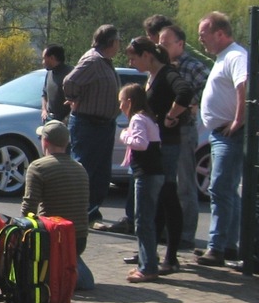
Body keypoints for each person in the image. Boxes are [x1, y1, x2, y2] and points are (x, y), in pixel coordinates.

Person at [124, 37, 192, 268]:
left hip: (167, 146)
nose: (132, 63)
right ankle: (148, 251)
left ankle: (170, 256)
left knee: (167, 196)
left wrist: (172, 115)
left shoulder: (167, 75)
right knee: (156, 200)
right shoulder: (152, 77)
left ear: (147, 55)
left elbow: (185, 91)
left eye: (134, 58)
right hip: (157, 146)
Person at [195, 12, 248, 267]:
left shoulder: (236, 56)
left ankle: (217, 247)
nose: (200, 39)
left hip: (230, 135)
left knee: (220, 188)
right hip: (219, 135)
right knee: (226, 190)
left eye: (203, 34)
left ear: (220, 33)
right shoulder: (223, 57)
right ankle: (228, 245)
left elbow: (244, 86)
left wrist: (239, 119)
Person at [21, 120, 95, 290]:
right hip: (79, 237)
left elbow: (29, 207)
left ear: (45, 141)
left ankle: (61, 272)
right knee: (69, 256)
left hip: (54, 236)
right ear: (66, 142)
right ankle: (71, 263)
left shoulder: (38, 167)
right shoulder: (80, 168)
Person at [63, 24, 121, 228]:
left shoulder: (104, 61)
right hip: (89, 125)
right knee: (84, 170)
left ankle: (90, 212)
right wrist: (73, 98)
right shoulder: (93, 60)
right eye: (118, 41)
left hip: (103, 125)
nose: (119, 46)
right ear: (112, 42)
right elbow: (70, 81)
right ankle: (77, 213)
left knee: (101, 174)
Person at [157, 24, 208, 249]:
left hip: (184, 130)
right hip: (164, 133)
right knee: (165, 184)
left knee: (184, 184)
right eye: (159, 44)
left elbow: (209, 88)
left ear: (180, 44)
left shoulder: (193, 67)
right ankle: (168, 231)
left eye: (166, 44)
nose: (161, 47)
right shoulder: (162, 67)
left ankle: (185, 235)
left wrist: (195, 102)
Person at [118, 83, 164, 283]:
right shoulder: (148, 117)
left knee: (143, 222)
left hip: (145, 174)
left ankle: (148, 268)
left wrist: (124, 135)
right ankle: (148, 262)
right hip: (155, 173)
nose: (120, 106)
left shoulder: (137, 119)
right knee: (148, 220)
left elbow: (141, 143)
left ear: (129, 102)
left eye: (121, 101)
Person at [40, 44, 72, 123]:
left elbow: (76, 99)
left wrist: (66, 119)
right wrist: (44, 110)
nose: (43, 62)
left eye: (44, 59)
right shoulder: (49, 73)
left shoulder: (70, 74)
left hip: (64, 122)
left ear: (52, 58)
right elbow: (44, 94)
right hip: (49, 119)